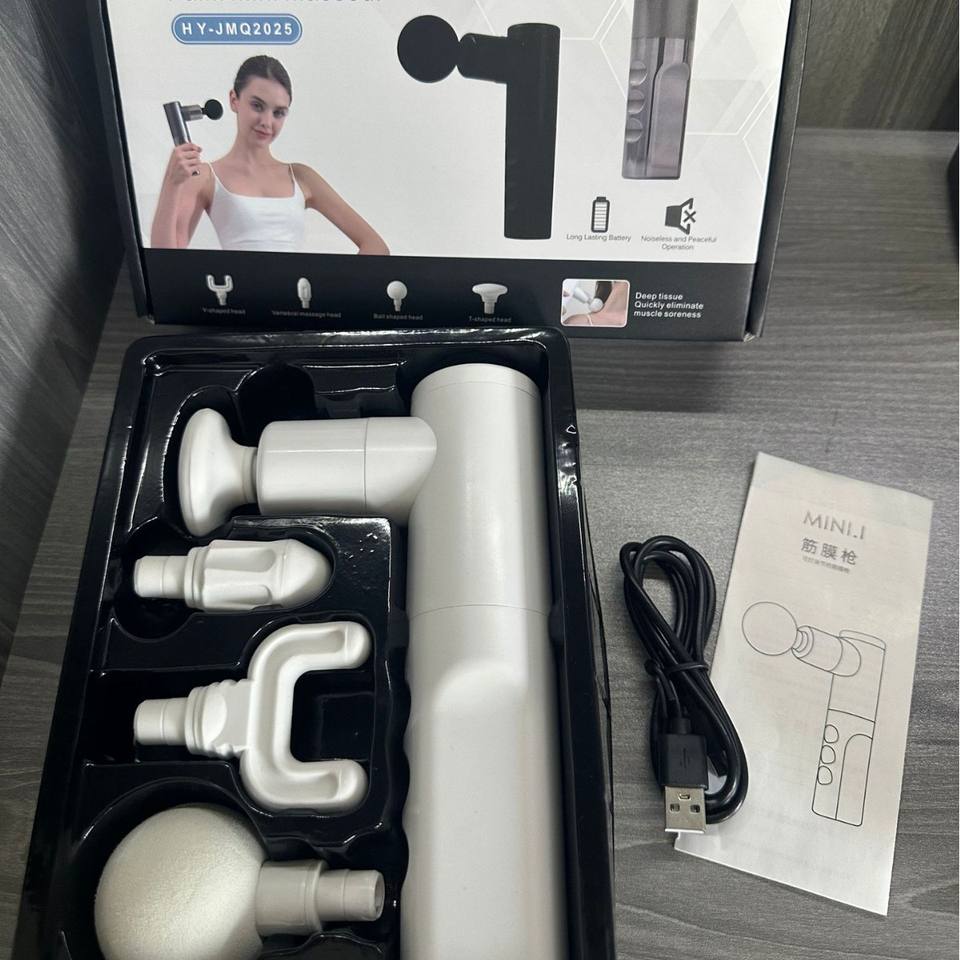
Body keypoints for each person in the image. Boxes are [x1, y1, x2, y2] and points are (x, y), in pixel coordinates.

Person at [151, 55, 389, 254]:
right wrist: (172, 183)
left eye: (278, 113)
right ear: (234, 100)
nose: (266, 122)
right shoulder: (204, 176)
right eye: (257, 106)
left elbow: (375, 246)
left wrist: (331, 288)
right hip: (238, 295)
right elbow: (168, 261)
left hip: (297, 295)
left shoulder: (301, 176)